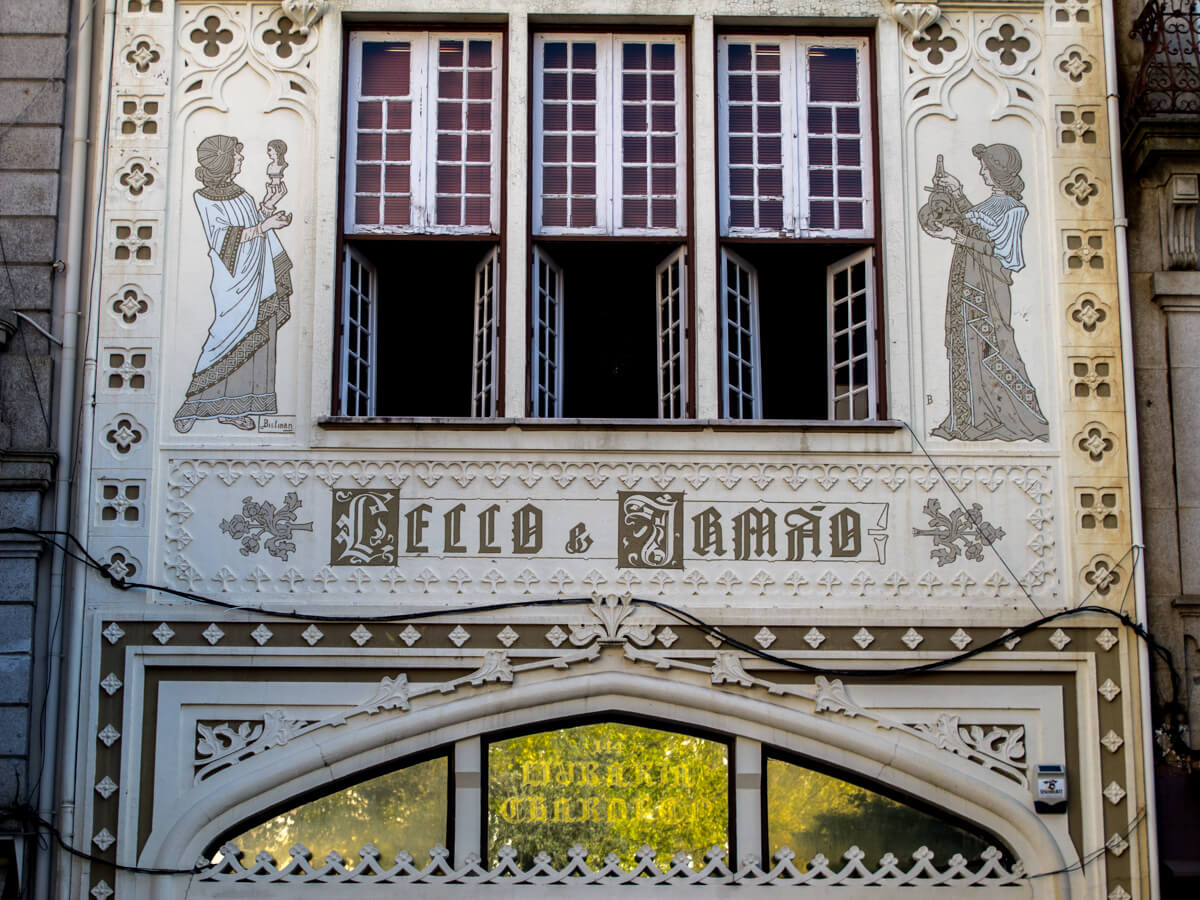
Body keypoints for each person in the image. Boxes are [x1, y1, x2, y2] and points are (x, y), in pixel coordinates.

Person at [921, 143, 1048, 442]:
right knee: (965, 348)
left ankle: (1011, 416)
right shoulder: (989, 203)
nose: (981, 171)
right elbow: (972, 223)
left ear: (999, 172)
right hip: (966, 283)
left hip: (989, 289)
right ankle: (969, 419)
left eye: (986, 167)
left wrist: (958, 238)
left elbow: (1000, 255)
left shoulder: (1015, 210)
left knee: (994, 347)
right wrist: (956, 191)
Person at [174, 135, 293, 432]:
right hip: (233, 282)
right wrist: (265, 225)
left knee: (257, 340)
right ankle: (193, 406)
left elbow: (252, 224)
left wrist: (268, 207)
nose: (241, 159)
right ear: (224, 162)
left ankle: (235, 407)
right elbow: (225, 238)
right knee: (223, 338)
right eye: (237, 156)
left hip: (257, 277)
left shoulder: (241, 193)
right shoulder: (203, 198)